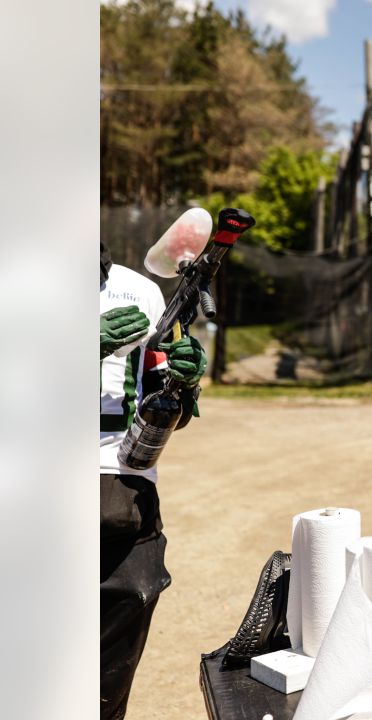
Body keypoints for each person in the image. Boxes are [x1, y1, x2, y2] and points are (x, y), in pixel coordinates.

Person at [100, 242, 208, 719]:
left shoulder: (140, 291)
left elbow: (164, 412)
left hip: (124, 502)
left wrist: (183, 386)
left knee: (106, 683)